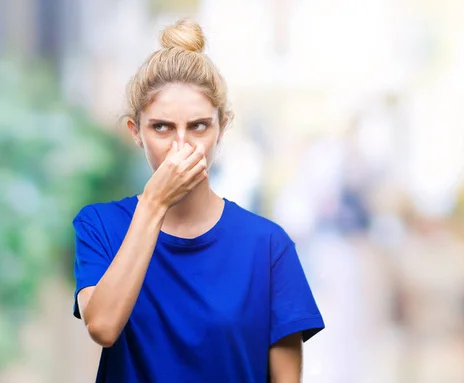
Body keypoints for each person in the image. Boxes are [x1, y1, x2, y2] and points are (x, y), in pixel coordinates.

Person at [72, 18, 325, 383]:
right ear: (136, 132)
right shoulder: (99, 226)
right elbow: (104, 326)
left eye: (198, 126)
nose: (181, 145)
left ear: (221, 129)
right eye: (161, 127)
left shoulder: (268, 247)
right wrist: (154, 205)